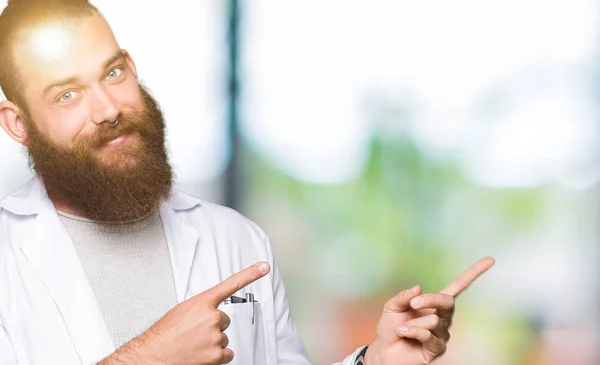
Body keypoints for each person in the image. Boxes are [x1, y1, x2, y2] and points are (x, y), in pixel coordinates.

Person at [0, 1, 495, 364]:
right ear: (18, 124)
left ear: (131, 66)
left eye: (111, 73)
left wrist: (377, 361)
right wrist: (150, 358)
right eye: (66, 95)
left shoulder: (236, 239)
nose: (108, 109)